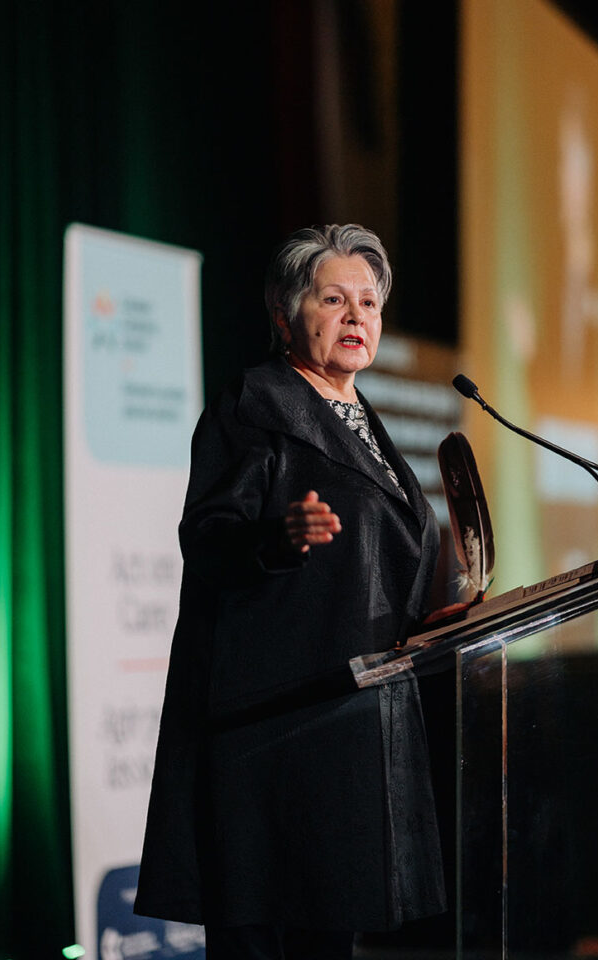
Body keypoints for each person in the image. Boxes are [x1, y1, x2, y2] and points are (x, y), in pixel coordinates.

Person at [134, 224, 447, 959]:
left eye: (368, 302)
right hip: (273, 734)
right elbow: (207, 537)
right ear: (283, 314)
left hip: (350, 722)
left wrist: (440, 616)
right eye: (334, 298)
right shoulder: (257, 406)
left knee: (330, 939)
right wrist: (276, 538)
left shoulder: (365, 421)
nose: (357, 316)